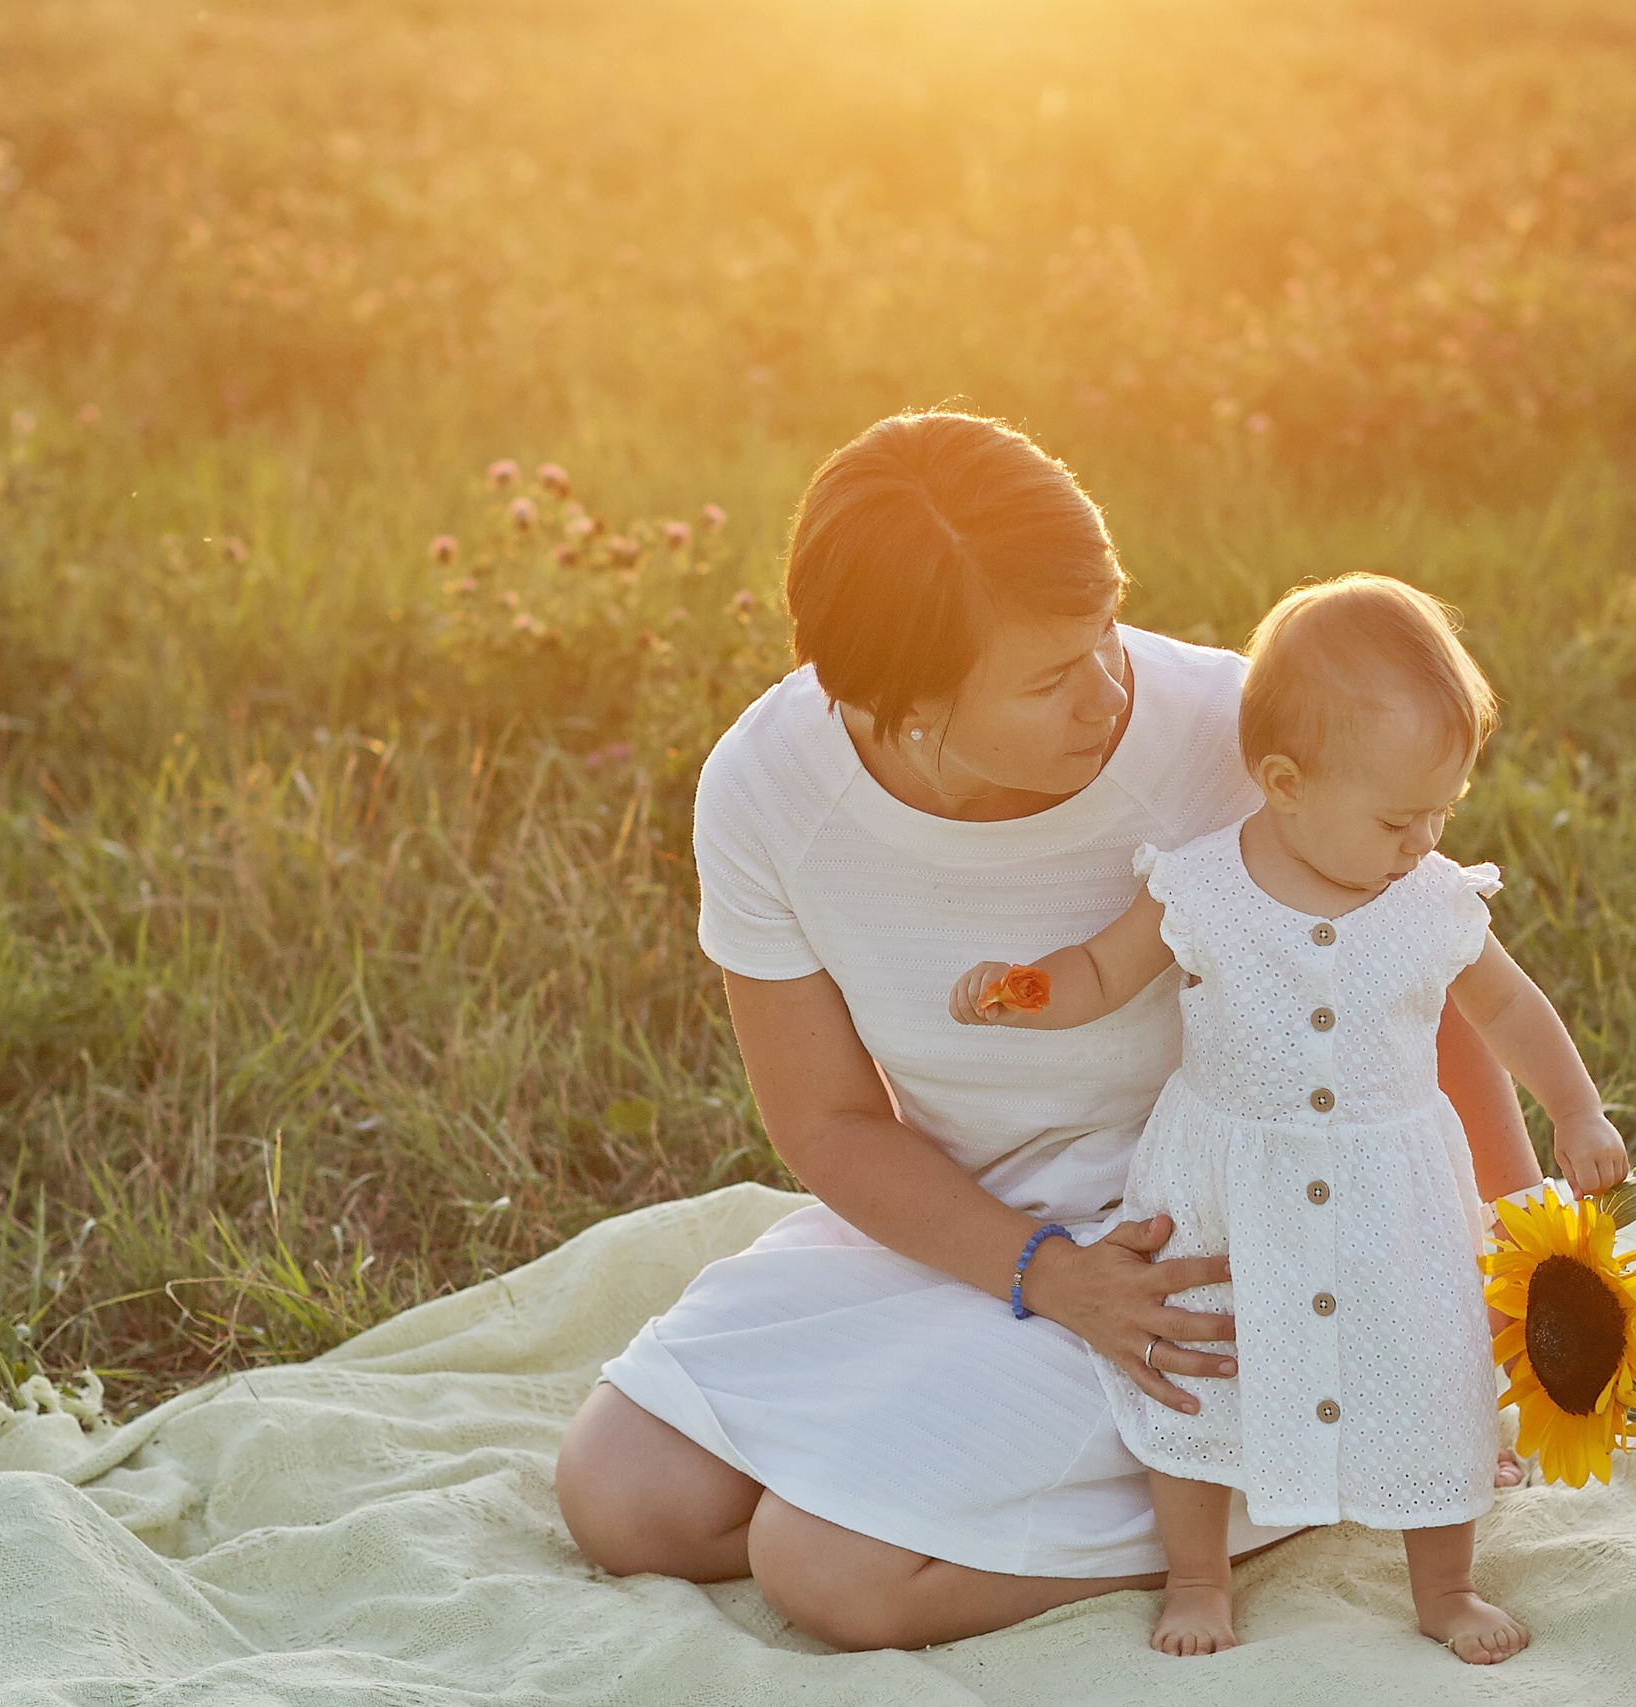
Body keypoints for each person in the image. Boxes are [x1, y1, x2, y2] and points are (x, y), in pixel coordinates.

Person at [552, 412, 1546, 1650]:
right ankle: (1137, 1455)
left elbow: (1423, 988)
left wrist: (1511, 1275)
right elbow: (828, 1119)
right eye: (1047, 679)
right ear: (899, 708)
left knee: (829, 1572)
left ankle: (1283, 1486)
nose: (1108, 689)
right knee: (624, 1500)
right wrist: (1042, 1277)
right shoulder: (769, 793)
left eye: (1104, 633)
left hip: (1209, 1241)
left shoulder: (1248, 740)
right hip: (969, 1216)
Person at [948, 575, 1631, 1664]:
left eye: (1441, 814)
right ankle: (1198, 1576)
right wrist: (1029, 991)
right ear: (1285, 784)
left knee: (1428, 1370)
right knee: (1199, 1375)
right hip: (1223, 1186)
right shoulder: (1201, 889)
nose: (1424, 841)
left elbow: (1507, 1006)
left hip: (1391, 1189)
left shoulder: (1432, 899)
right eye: (1400, 818)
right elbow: (1099, 971)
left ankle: (1445, 1586)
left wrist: (1576, 1108)